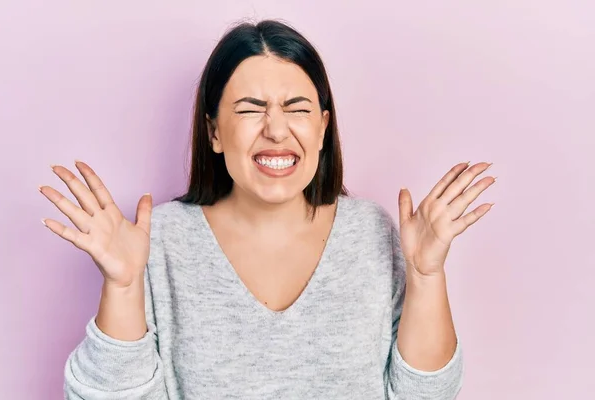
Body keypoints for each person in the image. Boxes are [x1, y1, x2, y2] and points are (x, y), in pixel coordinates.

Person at [40, 19, 495, 399]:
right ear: (214, 132)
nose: (276, 130)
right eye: (250, 109)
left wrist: (426, 277)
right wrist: (122, 286)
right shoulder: (156, 242)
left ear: (322, 127)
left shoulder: (370, 231)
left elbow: (425, 396)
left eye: (296, 108)